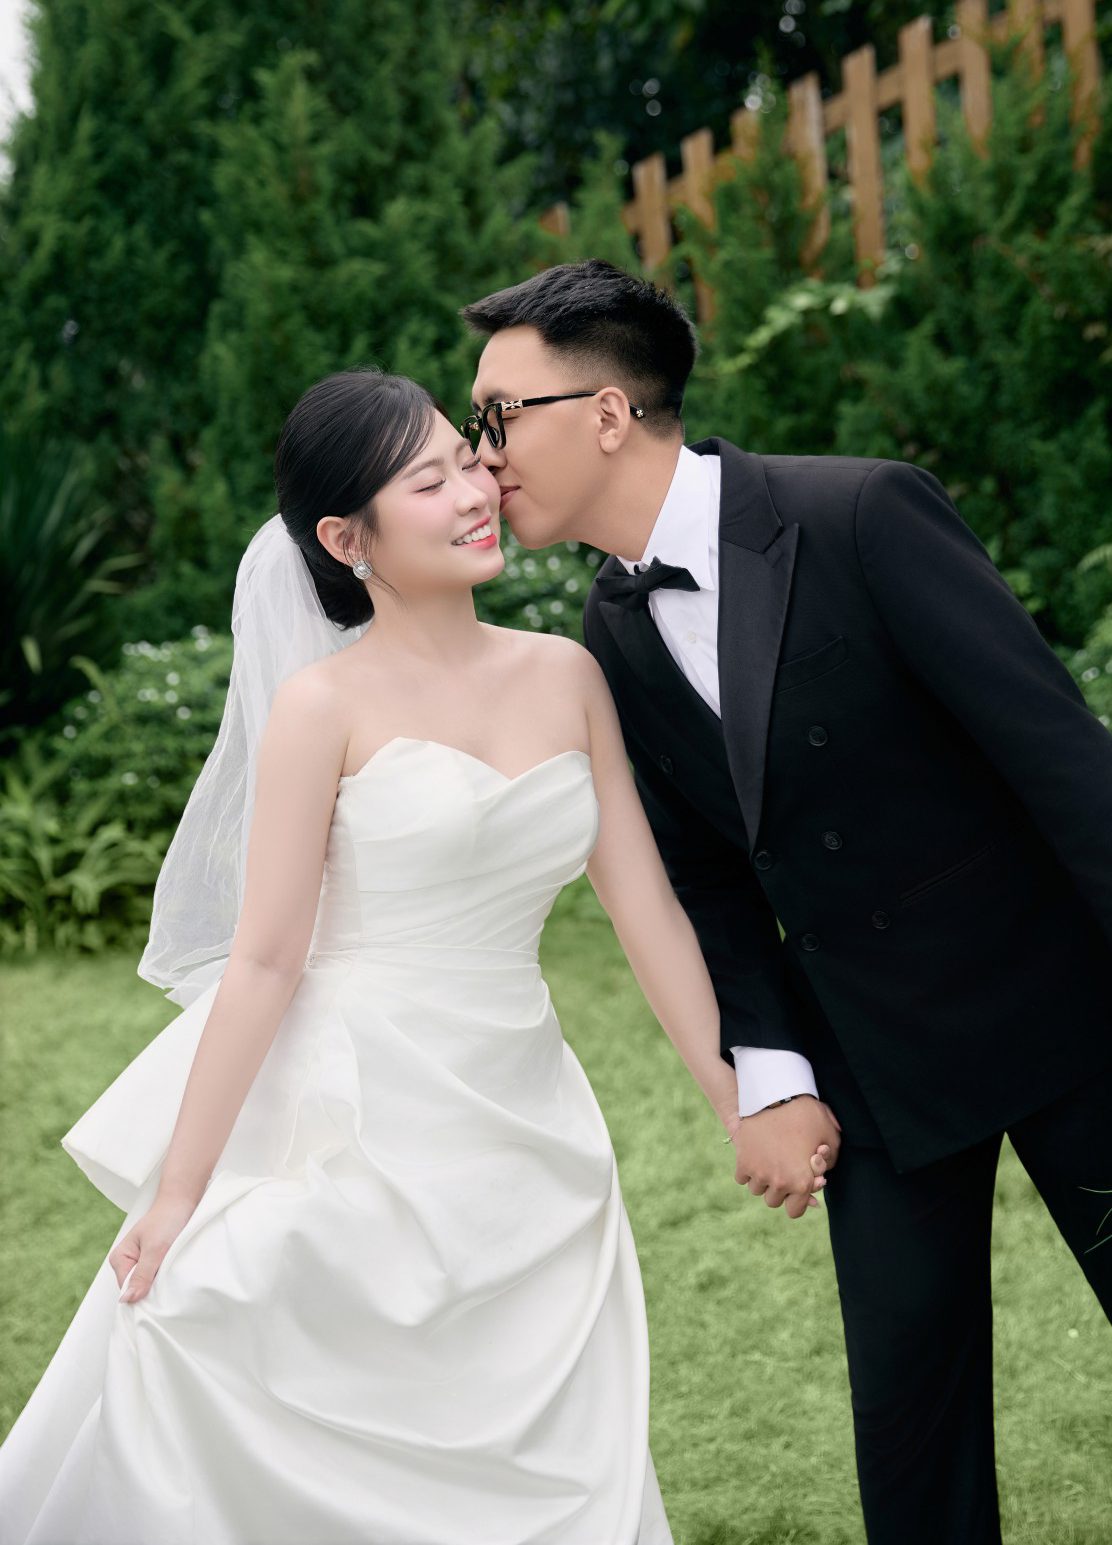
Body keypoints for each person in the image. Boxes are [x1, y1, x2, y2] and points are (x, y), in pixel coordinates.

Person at [0, 367, 831, 1545]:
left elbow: (646, 911)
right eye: (427, 481)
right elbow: (263, 962)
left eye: (465, 458)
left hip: (523, 1110)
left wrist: (736, 1098)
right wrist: (178, 1193)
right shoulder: (319, 708)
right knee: (253, 1357)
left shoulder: (566, 674)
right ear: (348, 540)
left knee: (531, 1429)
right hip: (355, 1108)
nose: (475, 490)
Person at [458, 258, 1112, 1545]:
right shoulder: (610, 624)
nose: (481, 455)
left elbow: (1060, 761)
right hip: (866, 1061)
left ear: (605, 412)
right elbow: (704, 874)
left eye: (497, 416)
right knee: (907, 1423)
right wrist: (767, 1071)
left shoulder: (859, 513)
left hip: (1055, 1010)